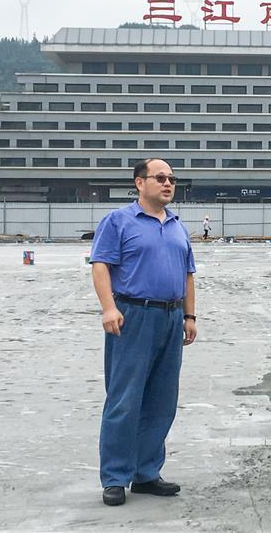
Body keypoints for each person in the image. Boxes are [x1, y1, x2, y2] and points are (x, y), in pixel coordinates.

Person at [89, 158, 198, 506]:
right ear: (139, 183)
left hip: (171, 317)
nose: (168, 184)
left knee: (161, 400)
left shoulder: (178, 226)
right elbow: (101, 266)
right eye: (160, 178)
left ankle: (147, 473)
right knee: (125, 399)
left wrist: (190, 316)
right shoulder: (118, 221)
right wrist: (109, 308)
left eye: (172, 179)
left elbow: (188, 274)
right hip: (133, 315)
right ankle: (115, 477)